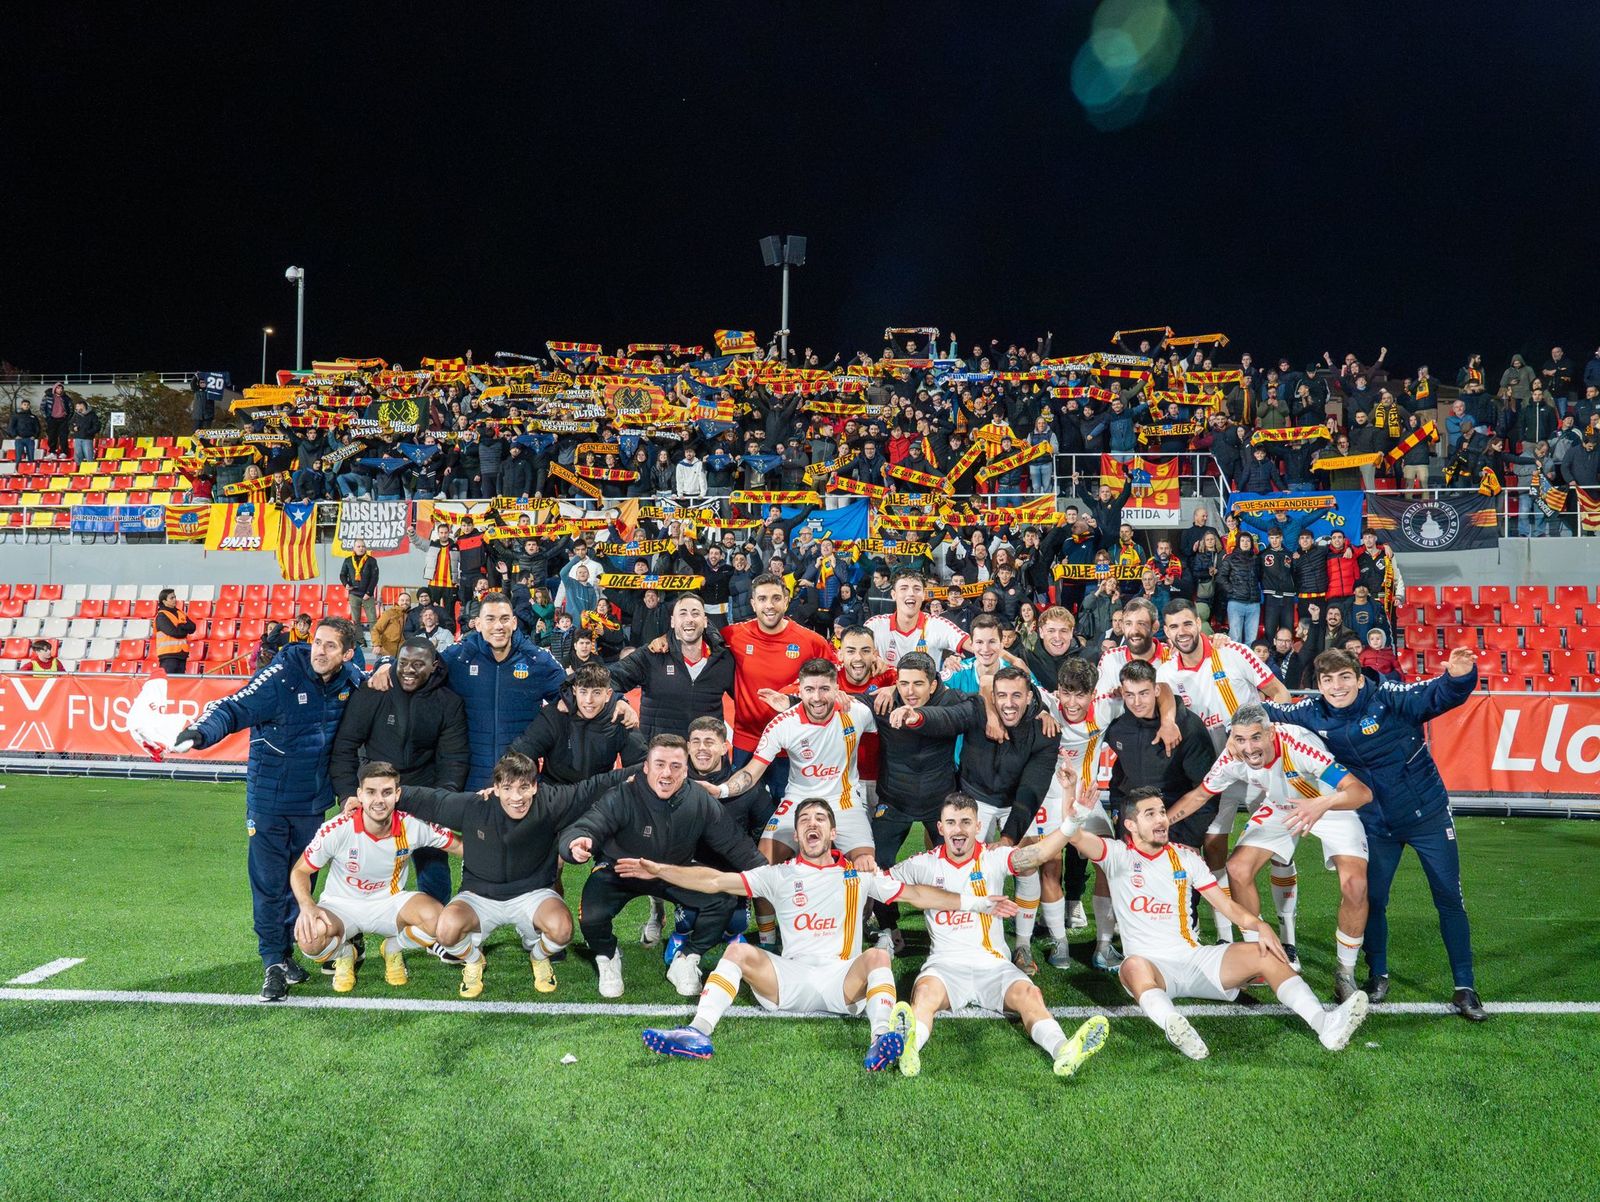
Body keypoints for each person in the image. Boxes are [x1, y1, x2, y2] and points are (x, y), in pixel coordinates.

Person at [624, 796, 1015, 1068]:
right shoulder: (777, 875)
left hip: (841, 981)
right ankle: (698, 1033)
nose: (812, 825)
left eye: (820, 821)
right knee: (738, 951)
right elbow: (714, 881)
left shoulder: (857, 875)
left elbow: (916, 894)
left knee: (878, 956)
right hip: (789, 979)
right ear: (797, 836)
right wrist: (660, 870)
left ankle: (882, 1039)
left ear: (832, 835)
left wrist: (977, 903)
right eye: (805, 821)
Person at [1062, 784, 1369, 1060]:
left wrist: (1258, 925)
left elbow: (1226, 906)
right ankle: (1175, 1028)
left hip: (1195, 959)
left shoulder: (1186, 857)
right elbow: (1075, 837)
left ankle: (1325, 1024)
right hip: (1153, 969)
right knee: (1131, 966)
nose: (1161, 820)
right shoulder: (1116, 855)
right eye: (1150, 814)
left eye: (1162, 812)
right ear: (1130, 825)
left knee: (1266, 953)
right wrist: (1073, 808)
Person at [1265, 647, 1486, 1020]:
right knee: (1374, 899)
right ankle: (1377, 974)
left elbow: (1437, 694)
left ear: (1359, 676)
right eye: (1328, 680)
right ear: (1318, 685)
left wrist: (1461, 676)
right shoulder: (1312, 712)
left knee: (1448, 898)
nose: (1337, 687)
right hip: (1374, 823)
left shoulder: (1389, 697)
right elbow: (1270, 712)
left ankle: (1464, 986)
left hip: (1427, 815)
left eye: (1344, 677)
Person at [163, 617, 365, 1001]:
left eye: (331, 646)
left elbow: (374, 686)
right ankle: (272, 960)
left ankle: (291, 949)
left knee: (302, 882)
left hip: (312, 804)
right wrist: (200, 732)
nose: (320, 651)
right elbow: (232, 707)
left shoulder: (351, 681)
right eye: (317, 642)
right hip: (269, 802)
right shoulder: (282, 676)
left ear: (347, 654)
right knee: (270, 884)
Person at [890, 793, 1110, 1079]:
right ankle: (910, 1048)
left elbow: (1040, 854)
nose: (959, 830)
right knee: (924, 995)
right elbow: (881, 885)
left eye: (966, 822)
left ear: (978, 826)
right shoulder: (921, 865)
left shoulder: (994, 858)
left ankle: (1063, 1050)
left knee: (1030, 994)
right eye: (952, 822)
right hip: (945, 966)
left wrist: (1074, 820)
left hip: (993, 965)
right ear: (940, 828)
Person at [1166, 705, 1373, 1000]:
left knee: (1355, 886)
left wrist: (1320, 805)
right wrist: (1162, 824)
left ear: (1270, 733)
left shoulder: (1297, 745)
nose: (1248, 748)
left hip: (1329, 804)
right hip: (1282, 805)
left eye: (1255, 738)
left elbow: (1360, 793)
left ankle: (1345, 972)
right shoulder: (1232, 757)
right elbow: (1200, 795)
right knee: (1237, 869)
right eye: (1240, 739)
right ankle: (1258, 957)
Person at [394, 751, 633, 998]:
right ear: (495, 788)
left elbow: (593, 787)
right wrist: (383, 795)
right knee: (446, 931)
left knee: (562, 929)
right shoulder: (473, 807)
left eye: (524, 788)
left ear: (535, 787)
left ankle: (538, 957)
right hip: (479, 896)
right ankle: (474, 961)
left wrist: (643, 770)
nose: (516, 797)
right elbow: (429, 800)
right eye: (507, 788)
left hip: (532, 894)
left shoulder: (551, 803)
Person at [560, 736, 767, 999]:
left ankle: (687, 958)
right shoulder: (623, 795)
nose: (667, 773)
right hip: (621, 869)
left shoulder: (698, 801)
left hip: (671, 871)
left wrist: (770, 876)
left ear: (686, 769)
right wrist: (576, 843)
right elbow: (589, 824)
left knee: (724, 901)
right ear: (645, 767)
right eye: (659, 764)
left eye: (675, 766)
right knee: (591, 915)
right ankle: (608, 956)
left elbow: (736, 845)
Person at [1155, 599, 1292, 943]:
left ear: (1199, 623)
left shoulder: (1235, 653)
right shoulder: (1167, 673)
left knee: (1280, 853)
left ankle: (1288, 940)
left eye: (1187, 624)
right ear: (1166, 631)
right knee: (1214, 846)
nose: (1181, 633)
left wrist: (1268, 738)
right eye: (1173, 627)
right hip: (1219, 771)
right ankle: (1228, 937)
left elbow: (1279, 693)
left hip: (1263, 764)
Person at [365, 592, 575, 790]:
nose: (498, 626)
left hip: (518, 782)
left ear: (514, 622)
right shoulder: (459, 657)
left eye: (504, 619)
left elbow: (576, 694)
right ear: (478, 623)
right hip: (469, 782)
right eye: (490, 619)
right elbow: (417, 666)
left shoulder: (537, 660)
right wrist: (384, 665)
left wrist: (609, 706)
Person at [290, 761, 460, 992]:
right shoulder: (337, 828)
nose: (379, 800)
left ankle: (392, 947)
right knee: (309, 939)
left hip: (390, 903)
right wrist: (307, 906)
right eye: (371, 792)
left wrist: (497, 836)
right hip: (341, 906)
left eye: (387, 792)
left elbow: (460, 846)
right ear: (360, 794)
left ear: (397, 794)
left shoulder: (412, 825)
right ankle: (345, 953)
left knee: (440, 922)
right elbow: (300, 870)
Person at [329, 637, 469, 905]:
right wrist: (348, 794)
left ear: (434, 665)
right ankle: (353, 929)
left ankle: (435, 931)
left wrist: (442, 800)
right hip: (376, 793)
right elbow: (344, 747)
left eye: (418, 664)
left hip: (423, 792)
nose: (408, 670)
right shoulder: (372, 692)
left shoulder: (449, 702)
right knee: (359, 867)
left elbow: (454, 758)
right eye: (403, 662)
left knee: (434, 869)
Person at [719, 573, 837, 802]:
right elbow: (698, 642)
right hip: (747, 740)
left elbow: (837, 677)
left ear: (786, 600)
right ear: (753, 603)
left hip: (792, 744)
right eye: (762, 599)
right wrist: (664, 639)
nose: (769, 605)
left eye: (775, 598)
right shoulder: (734, 635)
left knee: (788, 808)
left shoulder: (812, 642)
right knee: (739, 806)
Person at [1103, 660, 1217, 850]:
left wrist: (1189, 837)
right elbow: (1120, 774)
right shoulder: (1118, 728)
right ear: (1122, 693)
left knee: (1178, 880)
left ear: (1156, 691)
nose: (1137, 702)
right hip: (1134, 828)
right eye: (1130, 695)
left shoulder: (1188, 728)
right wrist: (1117, 810)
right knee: (1126, 878)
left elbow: (1206, 790)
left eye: (1144, 693)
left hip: (1179, 827)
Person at [613, 594, 735, 740]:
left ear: (705, 622)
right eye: (682, 613)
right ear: (672, 622)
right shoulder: (651, 654)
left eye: (695, 613)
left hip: (704, 756)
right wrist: (618, 699)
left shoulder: (723, 659)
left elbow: (746, 695)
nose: (689, 619)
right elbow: (608, 678)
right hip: (661, 756)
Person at [508, 661, 648, 784]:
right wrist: (529, 788)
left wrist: (629, 788)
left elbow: (642, 764)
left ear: (608, 694)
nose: (589, 700)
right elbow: (521, 753)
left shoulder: (620, 717)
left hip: (598, 799)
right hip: (556, 796)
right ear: (574, 691)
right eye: (583, 691)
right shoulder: (555, 715)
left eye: (597, 693)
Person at [865, 567, 971, 668]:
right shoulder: (874, 625)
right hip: (887, 687)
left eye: (917, 589)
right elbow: (853, 651)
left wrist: (953, 657)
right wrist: (871, 658)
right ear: (893, 595)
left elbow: (977, 645)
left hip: (928, 686)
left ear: (923, 595)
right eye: (904, 588)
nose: (911, 593)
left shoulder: (938, 624)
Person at [152, 588, 195, 675]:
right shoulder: (161, 616)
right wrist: (184, 629)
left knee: (179, 684)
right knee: (169, 682)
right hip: (168, 655)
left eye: (175, 597)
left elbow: (193, 627)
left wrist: (181, 626)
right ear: (164, 601)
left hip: (182, 654)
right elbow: (174, 632)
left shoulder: (180, 612)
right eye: (171, 598)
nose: (175, 599)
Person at [371, 591, 411, 658]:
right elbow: (376, 629)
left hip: (402, 655)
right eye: (402, 600)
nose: (405, 602)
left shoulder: (411, 615)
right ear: (398, 602)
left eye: (407, 600)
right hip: (386, 652)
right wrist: (377, 645)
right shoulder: (389, 613)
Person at [7, 399, 40, 463]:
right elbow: (11, 427)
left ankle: (30, 471)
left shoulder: (33, 417)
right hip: (19, 439)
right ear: (21, 406)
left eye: (28, 405)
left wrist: (35, 436)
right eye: (24, 405)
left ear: (29, 406)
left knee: (31, 457)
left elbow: (37, 428)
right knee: (18, 457)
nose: (26, 406)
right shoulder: (16, 416)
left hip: (30, 439)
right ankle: (17, 471)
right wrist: (15, 435)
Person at [69, 399, 100, 464]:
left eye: (78, 407)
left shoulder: (92, 415)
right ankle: (78, 470)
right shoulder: (76, 415)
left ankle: (90, 470)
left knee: (89, 455)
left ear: (83, 406)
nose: (77, 409)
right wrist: (73, 428)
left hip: (87, 438)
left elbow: (97, 426)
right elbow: (70, 424)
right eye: (76, 407)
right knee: (78, 455)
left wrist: (88, 432)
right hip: (77, 438)